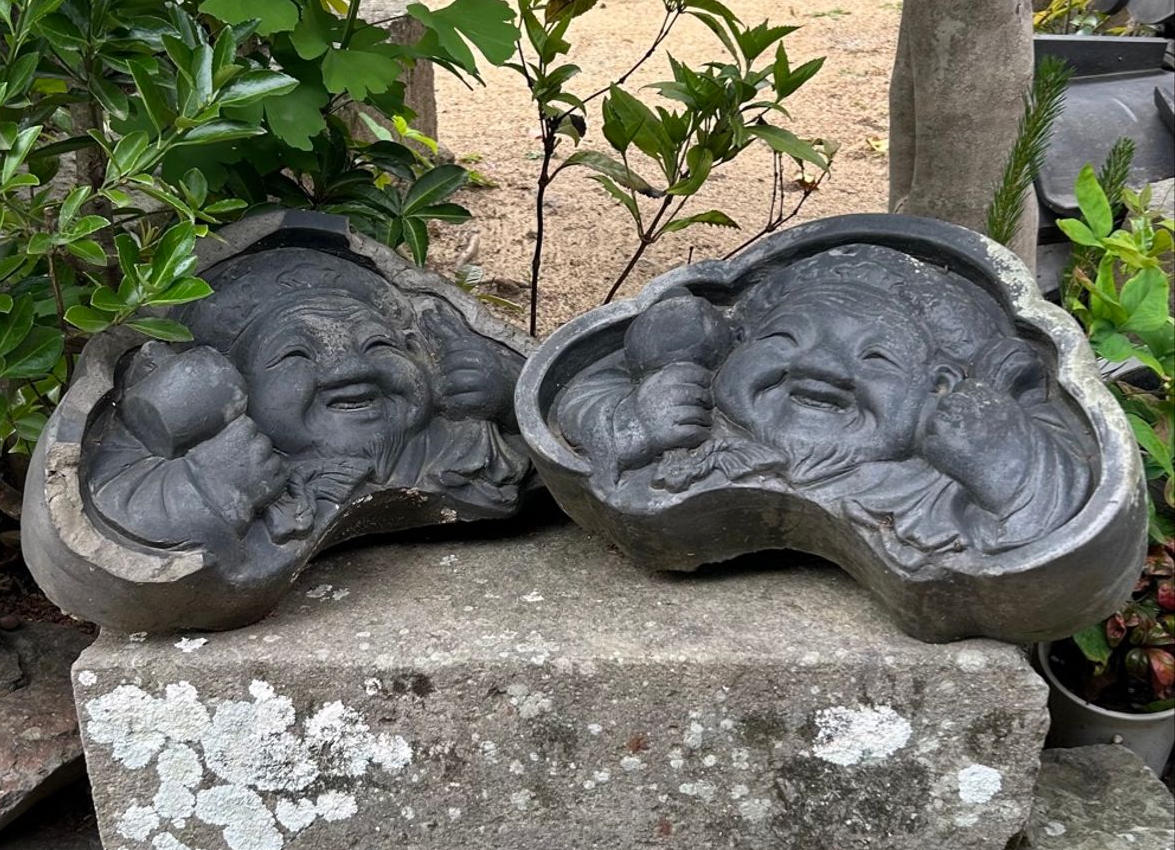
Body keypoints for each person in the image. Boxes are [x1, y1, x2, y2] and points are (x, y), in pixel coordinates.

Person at [551, 245, 1090, 562]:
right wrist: (631, 423)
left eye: (876, 357)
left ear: (939, 385)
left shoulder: (934, 483)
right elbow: (573, 394)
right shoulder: (696, 420)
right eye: (785, 339)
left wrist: (1007, 468)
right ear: (735, 345)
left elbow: (1062, 528)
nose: (821, 368)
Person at [86, 247, 526, 558]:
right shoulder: (239, 461)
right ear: (239, 390)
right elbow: (108, 507)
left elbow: (578, 413)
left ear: (415, 350)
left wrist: (509, 392)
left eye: (376, 344)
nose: (349, 370)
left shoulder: (468, 443)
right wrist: (211, 485)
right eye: (295, 355)